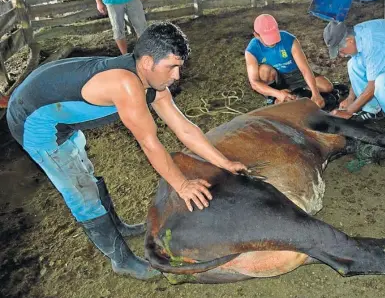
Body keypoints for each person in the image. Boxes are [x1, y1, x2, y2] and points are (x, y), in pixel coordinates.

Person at [6, 22, 248, 280]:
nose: (177, 75)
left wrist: (224, 162)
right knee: (80, 189)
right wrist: (182, 184)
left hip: (58, 112)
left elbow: (184, 128)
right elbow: (149, 143)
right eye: (171, 67)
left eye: (179, 67)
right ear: (146, 62)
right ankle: (121, 260)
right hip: (32, 120)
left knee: (82, 167)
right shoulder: (126, 85)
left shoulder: (152, 82)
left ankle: (117, 226)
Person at [245, 13, 333, 108]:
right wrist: (278, 93)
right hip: (278, 78)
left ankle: (295, 92)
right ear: (256, 35)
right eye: (268, 38)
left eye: (274, 35)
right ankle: (273, 98)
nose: (273, 42)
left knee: (327, 87)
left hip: (296, 73)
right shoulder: (252, 50)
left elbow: (304, 69)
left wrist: (316, 94)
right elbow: (254, 83)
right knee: (263, 70)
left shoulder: (289, 39)